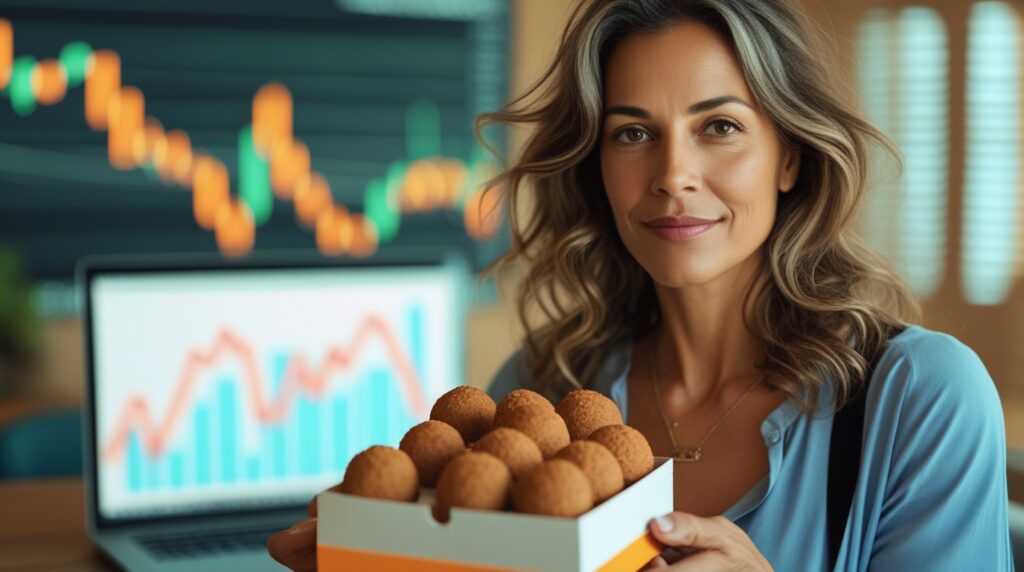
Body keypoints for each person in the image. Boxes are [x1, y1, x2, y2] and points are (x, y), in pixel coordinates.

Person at [268, 0, 1015, 570]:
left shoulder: (921, 399)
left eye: (718, 126)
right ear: (597, 164)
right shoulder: (540, 387)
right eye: (632, 133)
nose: (671, 176)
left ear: (789, 156)